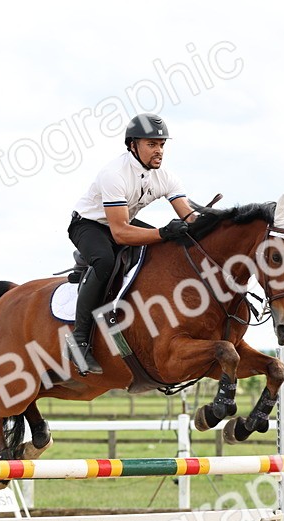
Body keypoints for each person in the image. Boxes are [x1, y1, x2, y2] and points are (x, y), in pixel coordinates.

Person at [66, 113, 197, 375]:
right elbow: (121, 234)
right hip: (90, 226)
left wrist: (208, 226)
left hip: (122, 223)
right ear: (132, 145)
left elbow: (190, 216)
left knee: (171, 246)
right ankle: (79, 341)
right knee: (106, 260)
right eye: (151, 144)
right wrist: (163, 232)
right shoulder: (114, 174)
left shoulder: (165, 177)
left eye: (161, 145)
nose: (159, 151)